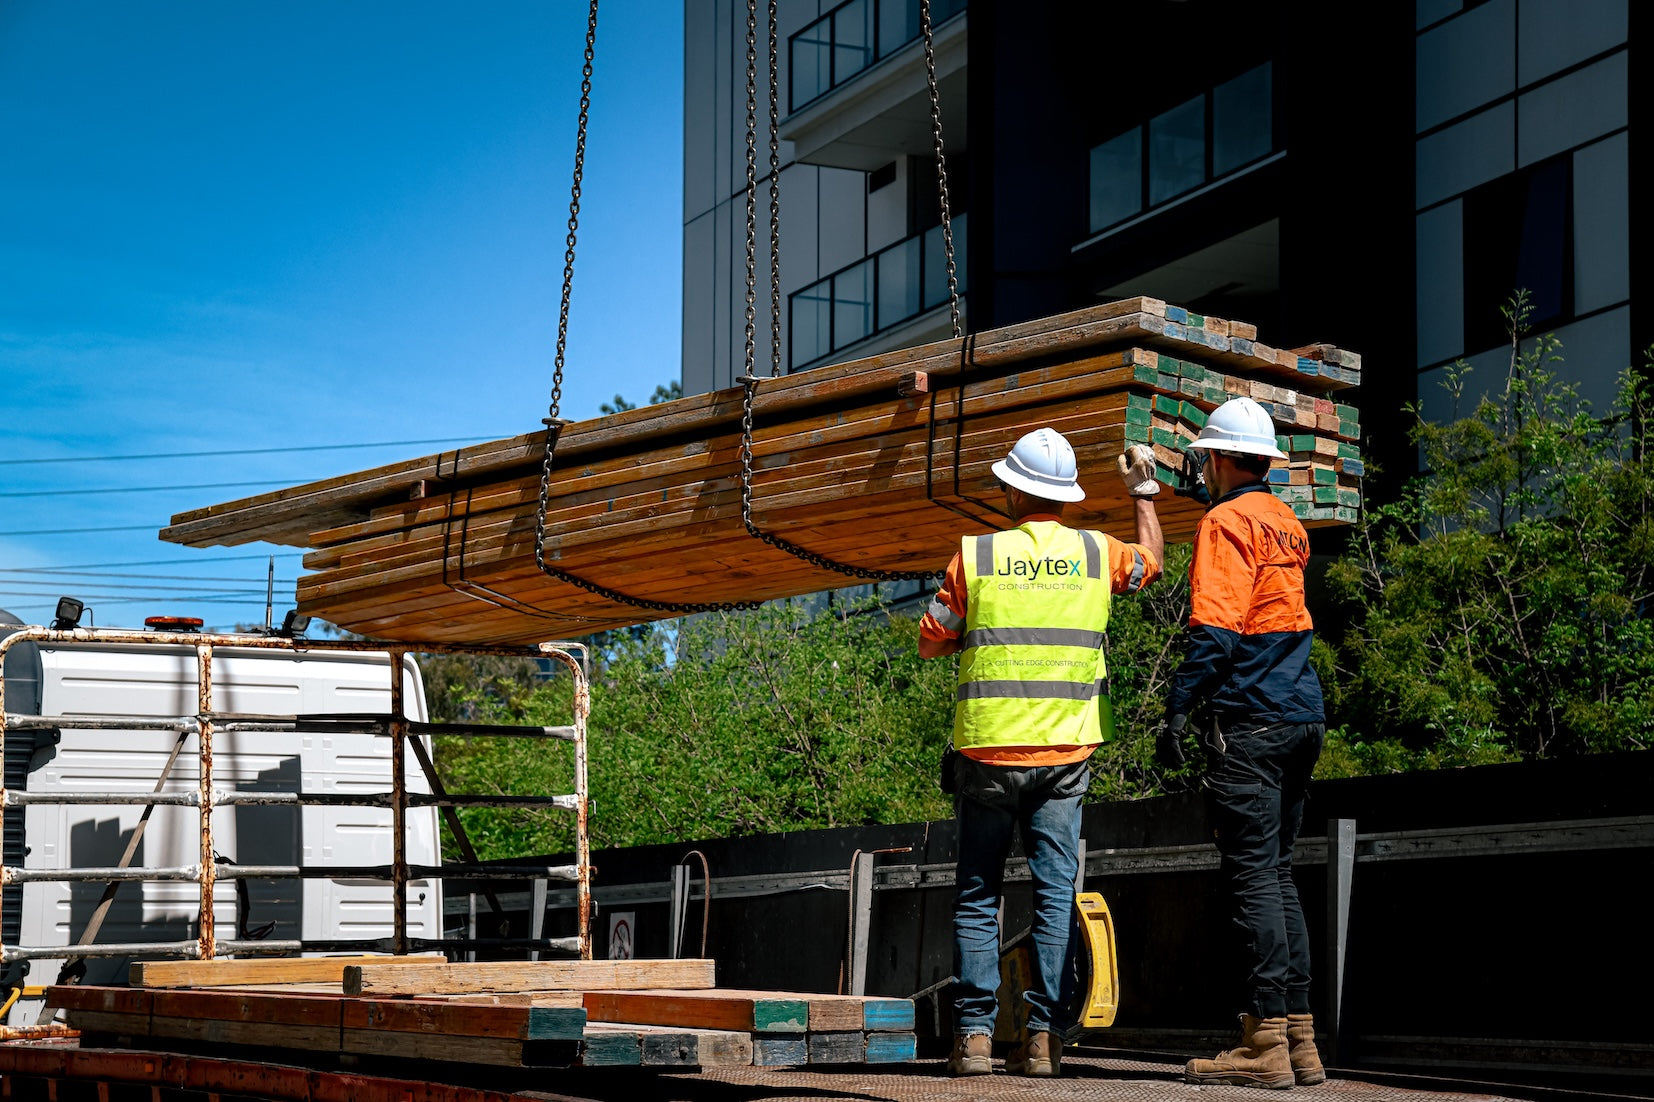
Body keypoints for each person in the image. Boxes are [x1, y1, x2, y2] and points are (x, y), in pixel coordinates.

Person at [920, 427, 1163, 1078]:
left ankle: (973, 1038)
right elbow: (1152, 563)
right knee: (1055, 896)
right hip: (1065, 752)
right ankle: (1042, 1042)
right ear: (1064, 496)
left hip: (989, 753)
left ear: (1012, 490)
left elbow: (931, 639)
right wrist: (1143, 492)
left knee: (977, 895)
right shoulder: (1096, 555)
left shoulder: (974, 557)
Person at [1156, 396, 1327, 1090]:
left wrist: (1175, 709)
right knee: (1278, 873)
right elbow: (1241, 511)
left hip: (1251, 717)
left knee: (1253, 877)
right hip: (1300, 712)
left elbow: (1217, 631)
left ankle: (1263, 1045)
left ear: (1220, 456)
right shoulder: (1284, 520)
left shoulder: (1225, 522)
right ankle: (1300, 1041)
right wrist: (1180, 482)